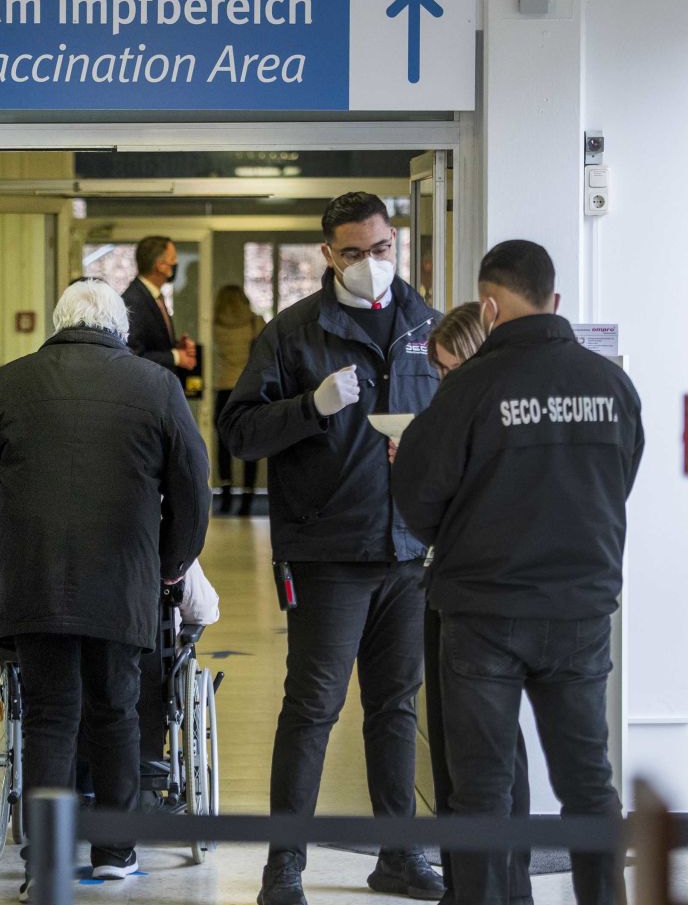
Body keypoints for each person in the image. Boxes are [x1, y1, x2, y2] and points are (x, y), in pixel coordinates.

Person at [393, 241, 643, 905]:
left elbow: (416, 495)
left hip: (484, 617)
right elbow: (620, 480)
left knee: (479, 790)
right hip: (580, 615)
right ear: (554, 301)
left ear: (489, 305)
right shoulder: (611, 385)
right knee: (590, 784)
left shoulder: (469, 388)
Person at [217, 191, 444, 905]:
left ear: (395, 243)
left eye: (381, 250)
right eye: (354, 253)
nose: (371, 264)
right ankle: (283, 869)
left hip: (408, 549)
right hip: (328, 550)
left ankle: (400, 857)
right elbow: (240, 431)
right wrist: (309, 406)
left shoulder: (426, 327)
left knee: (396, 707)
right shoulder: (292, 334)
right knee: (313, 706)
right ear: (328, 254)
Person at [0, 279, 210, 902]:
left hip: (35, 579)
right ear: (120, 330)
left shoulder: (10, 382)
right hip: (124, 581)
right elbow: (193, 487)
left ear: (57, 322)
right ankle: (116, 854)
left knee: (48, 717)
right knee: (116, 712)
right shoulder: (156, 386)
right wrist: (172, 565)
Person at [391, 302, 535, 905]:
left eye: (451, 370)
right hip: (448, 590)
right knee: (455, 750)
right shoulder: (461, 413)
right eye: (439, 373)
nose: (444, 383)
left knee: (494, 752)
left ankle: (506, 887)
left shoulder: (498, 419)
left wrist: (420, 475)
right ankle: (468, 886)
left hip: (484, 599)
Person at [212, 285, 265, 515]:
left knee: (223, 446)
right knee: (250, 442)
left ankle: (224, 493)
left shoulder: (213, 326)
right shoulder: (255, 323)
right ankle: (247, 496)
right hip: (247, 390)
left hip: (223, 388)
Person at [121, 235, 198, 378]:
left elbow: (153, 342)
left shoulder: (154, 295)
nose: (176, 263)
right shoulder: (134, 299)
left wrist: (175, 346)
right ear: (160, 265)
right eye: (173, 258)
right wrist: (175, 357)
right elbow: (133, 354)